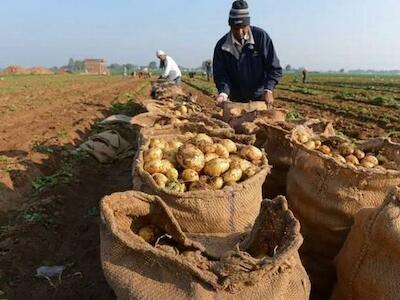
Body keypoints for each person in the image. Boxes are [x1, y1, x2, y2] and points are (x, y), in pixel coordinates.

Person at [213, 0, 282, 107]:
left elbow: (274, 68)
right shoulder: (222, 46)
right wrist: (223, 93)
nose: (240, 32)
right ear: (230, 26)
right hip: (236, 101)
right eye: (236, 28)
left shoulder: (261, 37)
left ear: (248, 24)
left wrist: (268, 89)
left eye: (243, 27)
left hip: (259, 99)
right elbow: (221, 75)